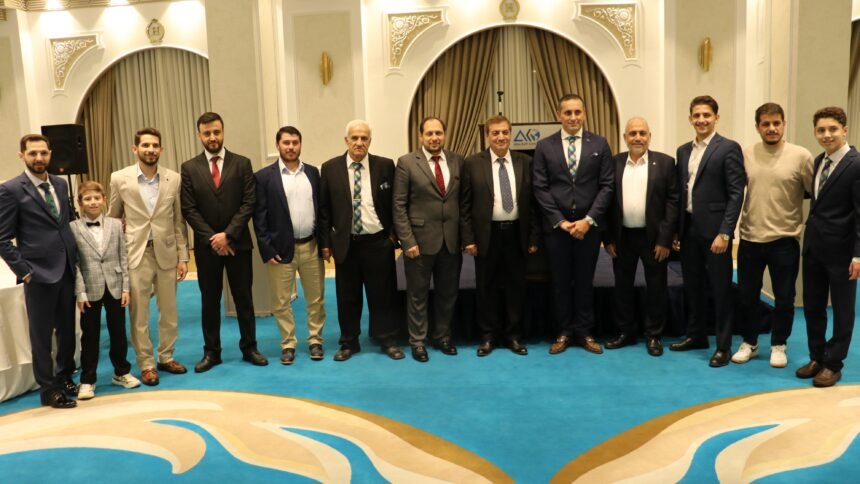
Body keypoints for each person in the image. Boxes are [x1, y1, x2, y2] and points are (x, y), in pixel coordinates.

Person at [181, 112, 267, 372]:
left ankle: (250, 347)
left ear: (223, 132)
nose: (212, 137)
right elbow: (189, 209)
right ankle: (212, 352)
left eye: (216, 132)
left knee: (244, 299)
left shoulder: (242, 163)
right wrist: (214, 239)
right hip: (207, 248)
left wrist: (228, 235)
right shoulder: (189, 168)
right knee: (209, 301)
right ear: (199, 135)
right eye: (207, 133)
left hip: (238, 244)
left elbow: (249, 202)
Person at [731, 103, 813, 368]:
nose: (772, 128)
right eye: (766, 124)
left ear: (784, 124)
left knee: (785, 297)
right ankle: (750, 342)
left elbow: (813, 192)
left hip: (785, 240)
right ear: (758, 127)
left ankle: (779, 344)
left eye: (777, 123)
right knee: (747, 296)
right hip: (750, 238)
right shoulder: (746, 154)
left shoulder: (801, 156)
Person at [0, 134, 78, 408]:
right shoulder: (10, 189)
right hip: (38, 274)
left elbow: (64, 224)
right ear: (22, 155)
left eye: (43, 152)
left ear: (50, 154)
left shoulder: (60, 183)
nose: (39, 158)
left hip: (67, 268)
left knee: (67, 330)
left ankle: (65, 376)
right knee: (42, 336)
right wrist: (25, 270)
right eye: (33, 153)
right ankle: (49, 389)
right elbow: (2, 238)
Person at [533, 94, 614, 355]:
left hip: (588, 229)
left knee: (584, 281)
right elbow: (540, 187)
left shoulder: (600, 144)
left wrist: (588, 220)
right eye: (567, 112)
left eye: (577, 112)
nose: (573, 117)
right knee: (559, 282)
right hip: (557, 230)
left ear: (585, 113)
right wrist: (560, 221)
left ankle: (585, 331)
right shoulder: (544, 146)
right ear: (559, 115)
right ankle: (564, 331)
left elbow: (607, 186)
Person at [109, 128, 189, 386]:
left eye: (155, 145)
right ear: (135, 149)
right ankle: (146, 364)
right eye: (145, 145)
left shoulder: (173, 179)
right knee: (139, 313)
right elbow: (113, 218)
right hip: (136, 253)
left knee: (169, 310)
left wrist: (183, 256)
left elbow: (178, 221)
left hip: (166, 252)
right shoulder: (119, 178)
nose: (150, 150)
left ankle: (166, 356)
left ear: (161, 149)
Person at [670, 95, 746, 368]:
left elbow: (736, 193)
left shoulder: (728, 148)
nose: (701, 120)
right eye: (697, 115)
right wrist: (676, 231)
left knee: (721, 289)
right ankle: (697, 335)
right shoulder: (682, 151)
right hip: (689, 230)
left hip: (716, 234)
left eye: (706, 115)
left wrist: (725, 233)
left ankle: (723, 346)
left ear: (716, 117)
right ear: (690, 118)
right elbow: (681, 193)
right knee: (693, 287)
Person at [319, 120, 405, 361]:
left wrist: (393, 236)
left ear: (370, 141)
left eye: (364, 138)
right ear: (346, 140)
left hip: (379, 243)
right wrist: (325, 243)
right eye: (354, 138)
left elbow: (396, 203)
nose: (359, 142)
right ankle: (349, 342)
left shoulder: (385, 165)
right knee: (348, 297)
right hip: (347, 244)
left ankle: (387, 339)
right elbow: (324, 209)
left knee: (383, 295)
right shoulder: (330, 168)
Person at [461, 115, 539, 356]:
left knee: (516, 287)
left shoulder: (526, 162)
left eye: (505, 132)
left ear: (511, 133)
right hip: (487, 235)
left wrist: (533, 237)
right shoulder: (472, 163)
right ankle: (488, 337)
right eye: (495, 133)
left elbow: (533, 204)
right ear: (487, 136)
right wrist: (468, 239)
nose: (501, 137)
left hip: (516, 234)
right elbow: (465, 205)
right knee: (486, 287)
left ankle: (513, 336)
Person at [393, 116, 467, 362]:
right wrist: (408, 241)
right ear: (420, 136)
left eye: (438, 133)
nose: (434, 138)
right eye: (429, 133)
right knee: (417, 295)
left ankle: (443, 337)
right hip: (419, 242)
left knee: (448, 293)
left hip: (451, 241)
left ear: (444, 134)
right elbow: (399, 205)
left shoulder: (457, 161)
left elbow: (462, 202)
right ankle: (417, 342)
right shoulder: (406, 163)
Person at [795, 106, 860, 387]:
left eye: (832, 129)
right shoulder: (819, 160)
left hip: (843, 253)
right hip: (814, 249)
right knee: (813, 306)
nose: (827, 134)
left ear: (845, 129)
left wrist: (858, 255)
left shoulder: (856, 164)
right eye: (821, 130)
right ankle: (817, 356)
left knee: (842, 311)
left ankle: (833, 364)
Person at [603, 117, 678, 357]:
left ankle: (654, 335)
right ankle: (626, 332)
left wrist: (665, 239)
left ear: (649, 136)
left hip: (653, 239)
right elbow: (605, 203)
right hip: (622, 237)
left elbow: (673, 203)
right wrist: (607, 238)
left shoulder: (665, 163)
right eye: (633, 133)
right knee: (622, 287)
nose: (638, 138)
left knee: (656, 288)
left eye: (642, 133)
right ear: (625, 137)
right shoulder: (613, 163)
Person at [253, 126, 326, 365]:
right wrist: (267, 249)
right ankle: (288, 343)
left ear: (300, 144)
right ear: (278, 145)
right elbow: (259, 217)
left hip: (311, 246)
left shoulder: (313, 173)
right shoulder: (264, 177)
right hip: (280, 250)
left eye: (295, 142)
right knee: (281, 301)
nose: (291, 147)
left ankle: (315, 340)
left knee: (316, 298)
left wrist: (325, 243)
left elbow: (322, 211)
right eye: (286, 142)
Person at [71, 181, 140, 400]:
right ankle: (87, 380)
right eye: (87, 199)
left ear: (104, 200)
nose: (93, 202)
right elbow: (75, 264)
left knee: (118, 331)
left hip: (115, 284)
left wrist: (126, 287)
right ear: (80, 203)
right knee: (90, 335)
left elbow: (123, 256)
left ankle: (121, 372)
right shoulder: (73, 228)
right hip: (89, 288)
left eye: (97, 198)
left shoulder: (116, 224)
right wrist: (80, 292)